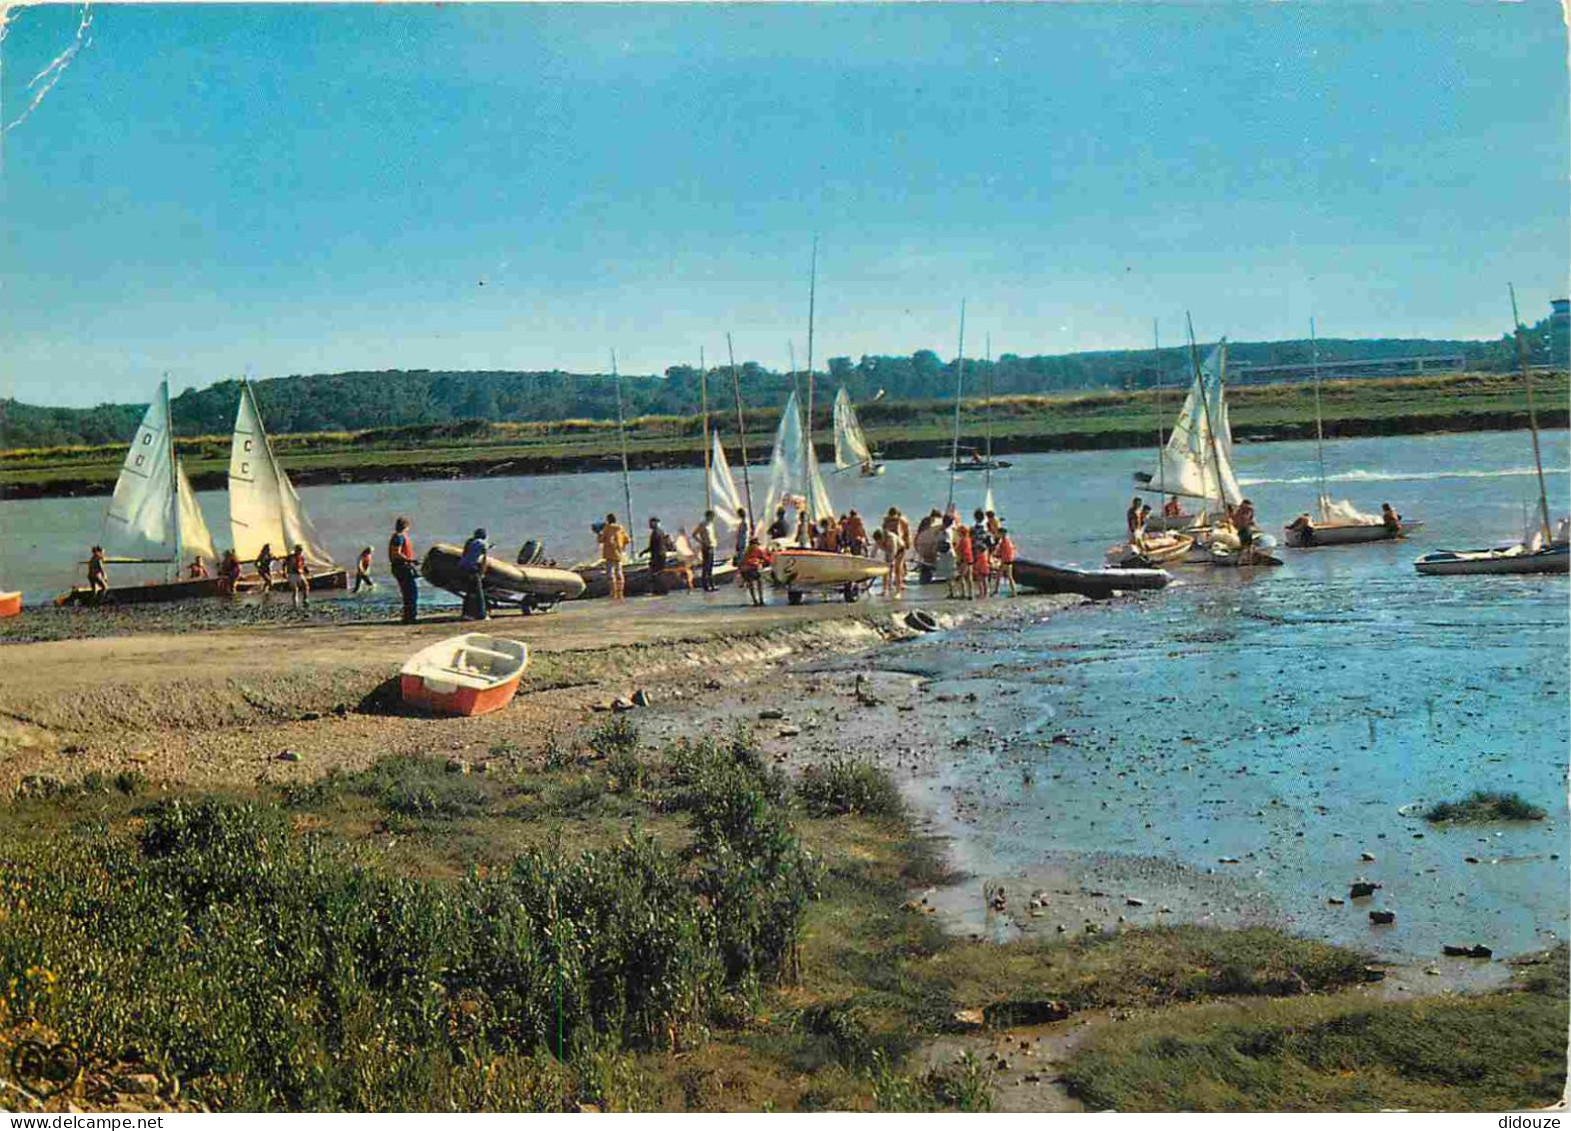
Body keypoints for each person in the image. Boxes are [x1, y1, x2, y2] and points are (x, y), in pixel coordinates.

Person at [388, 517, 419, 624]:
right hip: (401, 567)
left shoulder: (398, 537)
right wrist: (410, 560)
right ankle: (409, 617)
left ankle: (409, 616)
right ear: (406, 527)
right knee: (411, 592)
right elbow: (396, 553)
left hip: (401, 566)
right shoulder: (399, 537)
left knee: (409, 592)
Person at [598, 512, 631, 602]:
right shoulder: (620, 528)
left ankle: (613, 593)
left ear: (608, 520)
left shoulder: (607, 528)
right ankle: (620, 593)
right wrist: (621, 547)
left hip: (609, 553)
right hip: (619, 553)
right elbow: (627, 540)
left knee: (610, 574)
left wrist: (599, 533)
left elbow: (602, 540)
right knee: (619, 572)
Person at [459, 528, 489, 620]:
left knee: (470, 592)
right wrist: (482, 573)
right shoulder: (482, 543)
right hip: (473, 569)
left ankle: (466, 614)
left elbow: (465, 555)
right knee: (478, 592)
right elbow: (484, 559)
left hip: (464, 568)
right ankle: (481, 615)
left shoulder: (469, 542)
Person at [738, 537, 772, 607]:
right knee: (759, 582)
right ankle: (761, 599)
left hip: (745, 570)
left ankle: (755, 601)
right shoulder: (757, 549)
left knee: (751, 584)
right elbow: (766, 559)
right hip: (753, 568)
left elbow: (741, 563)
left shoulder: (746, 551)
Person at [694, 509, 719, 591]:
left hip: (712, 546)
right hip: (706, 547)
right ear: (708, 516)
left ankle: (712, 584)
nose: (713, 518)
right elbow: (694, 534)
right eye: (712, 516)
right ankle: (706, 585)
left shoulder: (711, 524)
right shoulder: (703, 524)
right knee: (706, 566)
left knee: (711, 566)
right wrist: (702, 542)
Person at [285, 543, 311, 608]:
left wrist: (306, 570)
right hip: (292, 574)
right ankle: (295, 604)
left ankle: (305, 599)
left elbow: (303, 565)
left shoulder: (301, 557)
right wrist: (284, 572)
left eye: (301, 550)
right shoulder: (290, 557)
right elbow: (285, 564)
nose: (300, 551)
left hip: (300, 574)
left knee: (306, 585)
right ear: (296, 550)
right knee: (295, 589)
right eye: (299, 550)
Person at [995, 526, 1018, 596]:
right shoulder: (1007, 541)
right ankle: (997, 590)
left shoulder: (1004, 542)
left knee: (1006, 576)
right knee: (1003, 576)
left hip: (1006, 561)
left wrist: (997, 555)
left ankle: (1013, 592)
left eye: (998, 533)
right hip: (1008, 561)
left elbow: (1002, 552)